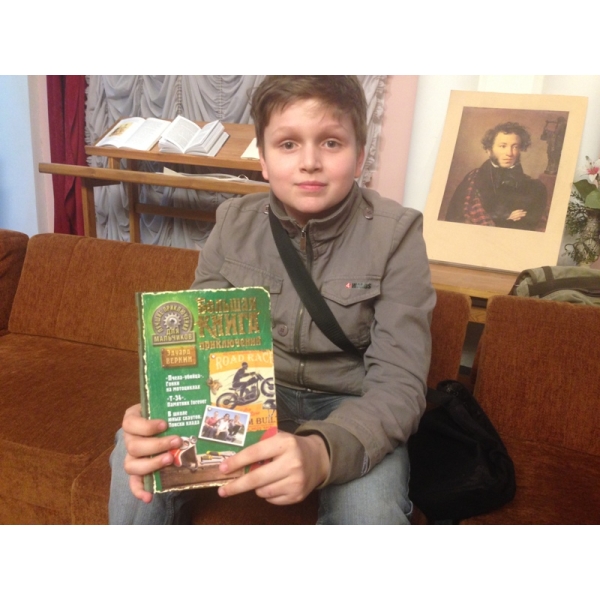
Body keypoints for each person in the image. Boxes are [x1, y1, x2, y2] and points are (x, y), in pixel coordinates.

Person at [109, 76, 435, 525]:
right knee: (136, 454)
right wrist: (160, 406)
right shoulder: (233, 222)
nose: (309, 163)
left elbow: (400, 384)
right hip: (246, 398)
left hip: (351, 406)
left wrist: (322, 453)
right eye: (287, 144)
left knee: (370, 512)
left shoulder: (397, 234)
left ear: (360, 156)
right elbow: (195, 354)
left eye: (331, 143)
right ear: (262, 159)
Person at [445, 121, 547, 230]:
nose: (509, 153)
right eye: (503, 146)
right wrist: (503, 217)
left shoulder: (535, 187)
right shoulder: (473, 178)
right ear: (489, 150)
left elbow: (531, 224)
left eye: (515, 147)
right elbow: (455, 218)